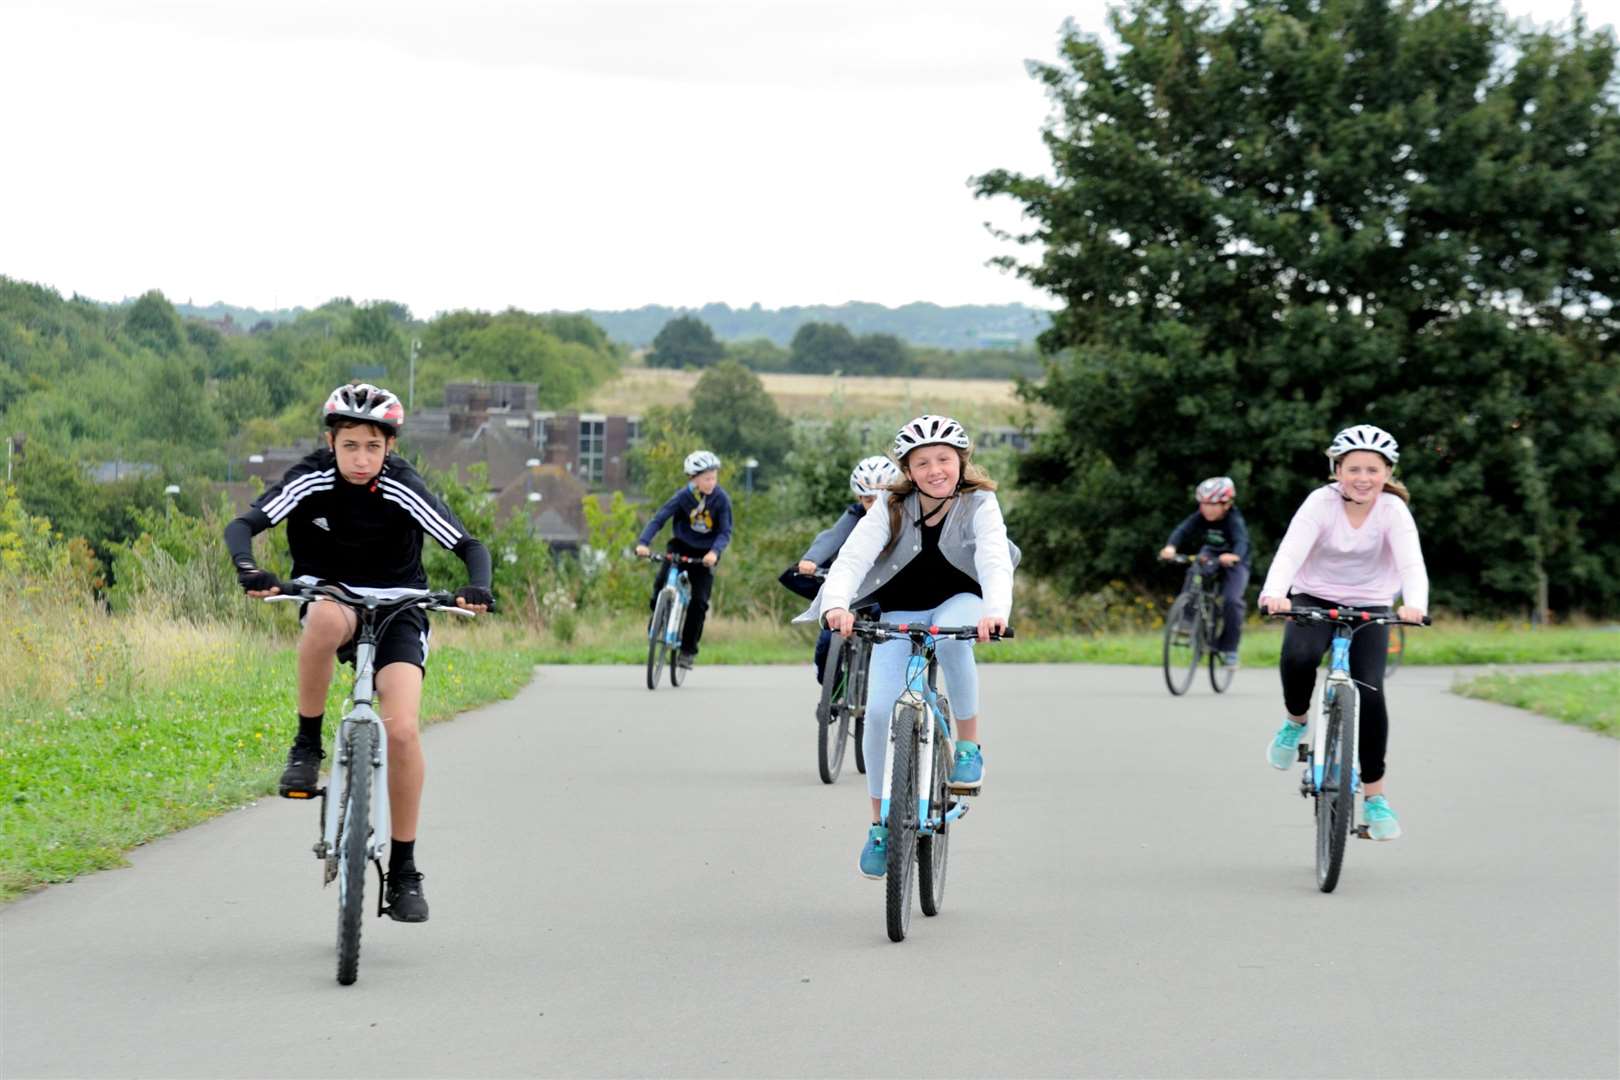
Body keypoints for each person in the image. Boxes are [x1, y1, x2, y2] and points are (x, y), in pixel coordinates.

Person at [224, 383, 493, 922]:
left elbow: (468, 545)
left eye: (373, 445)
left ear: (388, 447)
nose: (362, 458)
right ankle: (306, 747)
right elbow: (244, 525)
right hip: (334, 596)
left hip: (400, 607)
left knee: (402, 730)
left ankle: (405, 869)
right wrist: (248, 568)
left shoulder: (403, 486)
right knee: (323, 615)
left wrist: (478, 585)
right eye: (350, 445)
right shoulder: (312, 477)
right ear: (332, 442)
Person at [797, 415, 1017, 879]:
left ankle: (969, 747)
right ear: (909, 470)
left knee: (956, 642)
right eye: (923, 463)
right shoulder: (890, 505)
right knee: (878, 713)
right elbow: (854, 557)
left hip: (961, 600)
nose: (936, 469)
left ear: (961, 461)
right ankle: (880, 824)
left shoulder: (981, 502)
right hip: (899, 610)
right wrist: (836, 605)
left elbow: (995, 557)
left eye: (944, 459)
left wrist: (995, 612)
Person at [1257, 424, 1429, 841]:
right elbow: (1291, 551)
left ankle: (1375, 798)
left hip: (1371, 605)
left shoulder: (1393, 512)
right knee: (1299, 657)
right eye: (1353, 468)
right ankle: (1296, 722)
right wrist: (1274, 594)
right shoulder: (1320, 503)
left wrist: (1416, 604)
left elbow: (1410, 563)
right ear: (1337, 470)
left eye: (1373, 469)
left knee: (1370, 692)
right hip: (1314, 597)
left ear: (1387, 473)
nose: (1363, 478)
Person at [782, 455, 903, 684]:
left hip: (886, 590)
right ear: (859, 498)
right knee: (828, 641)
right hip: (855, 588)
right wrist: (812, 559)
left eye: (881, 498)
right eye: (868, 500)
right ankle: (833, 687)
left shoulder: (904, 515)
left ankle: (883, 683)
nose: (874, 506)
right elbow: (832, 537)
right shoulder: (855, 515)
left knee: (891, 635)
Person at [634, 450, 733, 668]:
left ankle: (688, 651)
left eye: (714, 478)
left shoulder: (721, 499)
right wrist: (643, 543)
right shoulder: (682, 497)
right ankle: (658, 619)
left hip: (705, 555)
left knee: (699, 602)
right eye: (707, 478)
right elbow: (659, 519)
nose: (712, 482)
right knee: (661, 583)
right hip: (680, 547)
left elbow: (725, 531)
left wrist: (714, 553)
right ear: (694, 479)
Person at [1159, 476, 1252, 666]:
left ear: (1226, 504)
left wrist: (1234, 556)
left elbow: (1242, 542)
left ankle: (1229, 649)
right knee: (1194, 571)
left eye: (1213, 504)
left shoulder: (1234, 519)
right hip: (1211, 554)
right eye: (1203, 504)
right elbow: (1182, 530)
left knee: (1232, 602)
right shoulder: (1200, 517)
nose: (1207, 508)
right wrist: (1171, 547)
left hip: (1236, 560)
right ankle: (1186, 620)